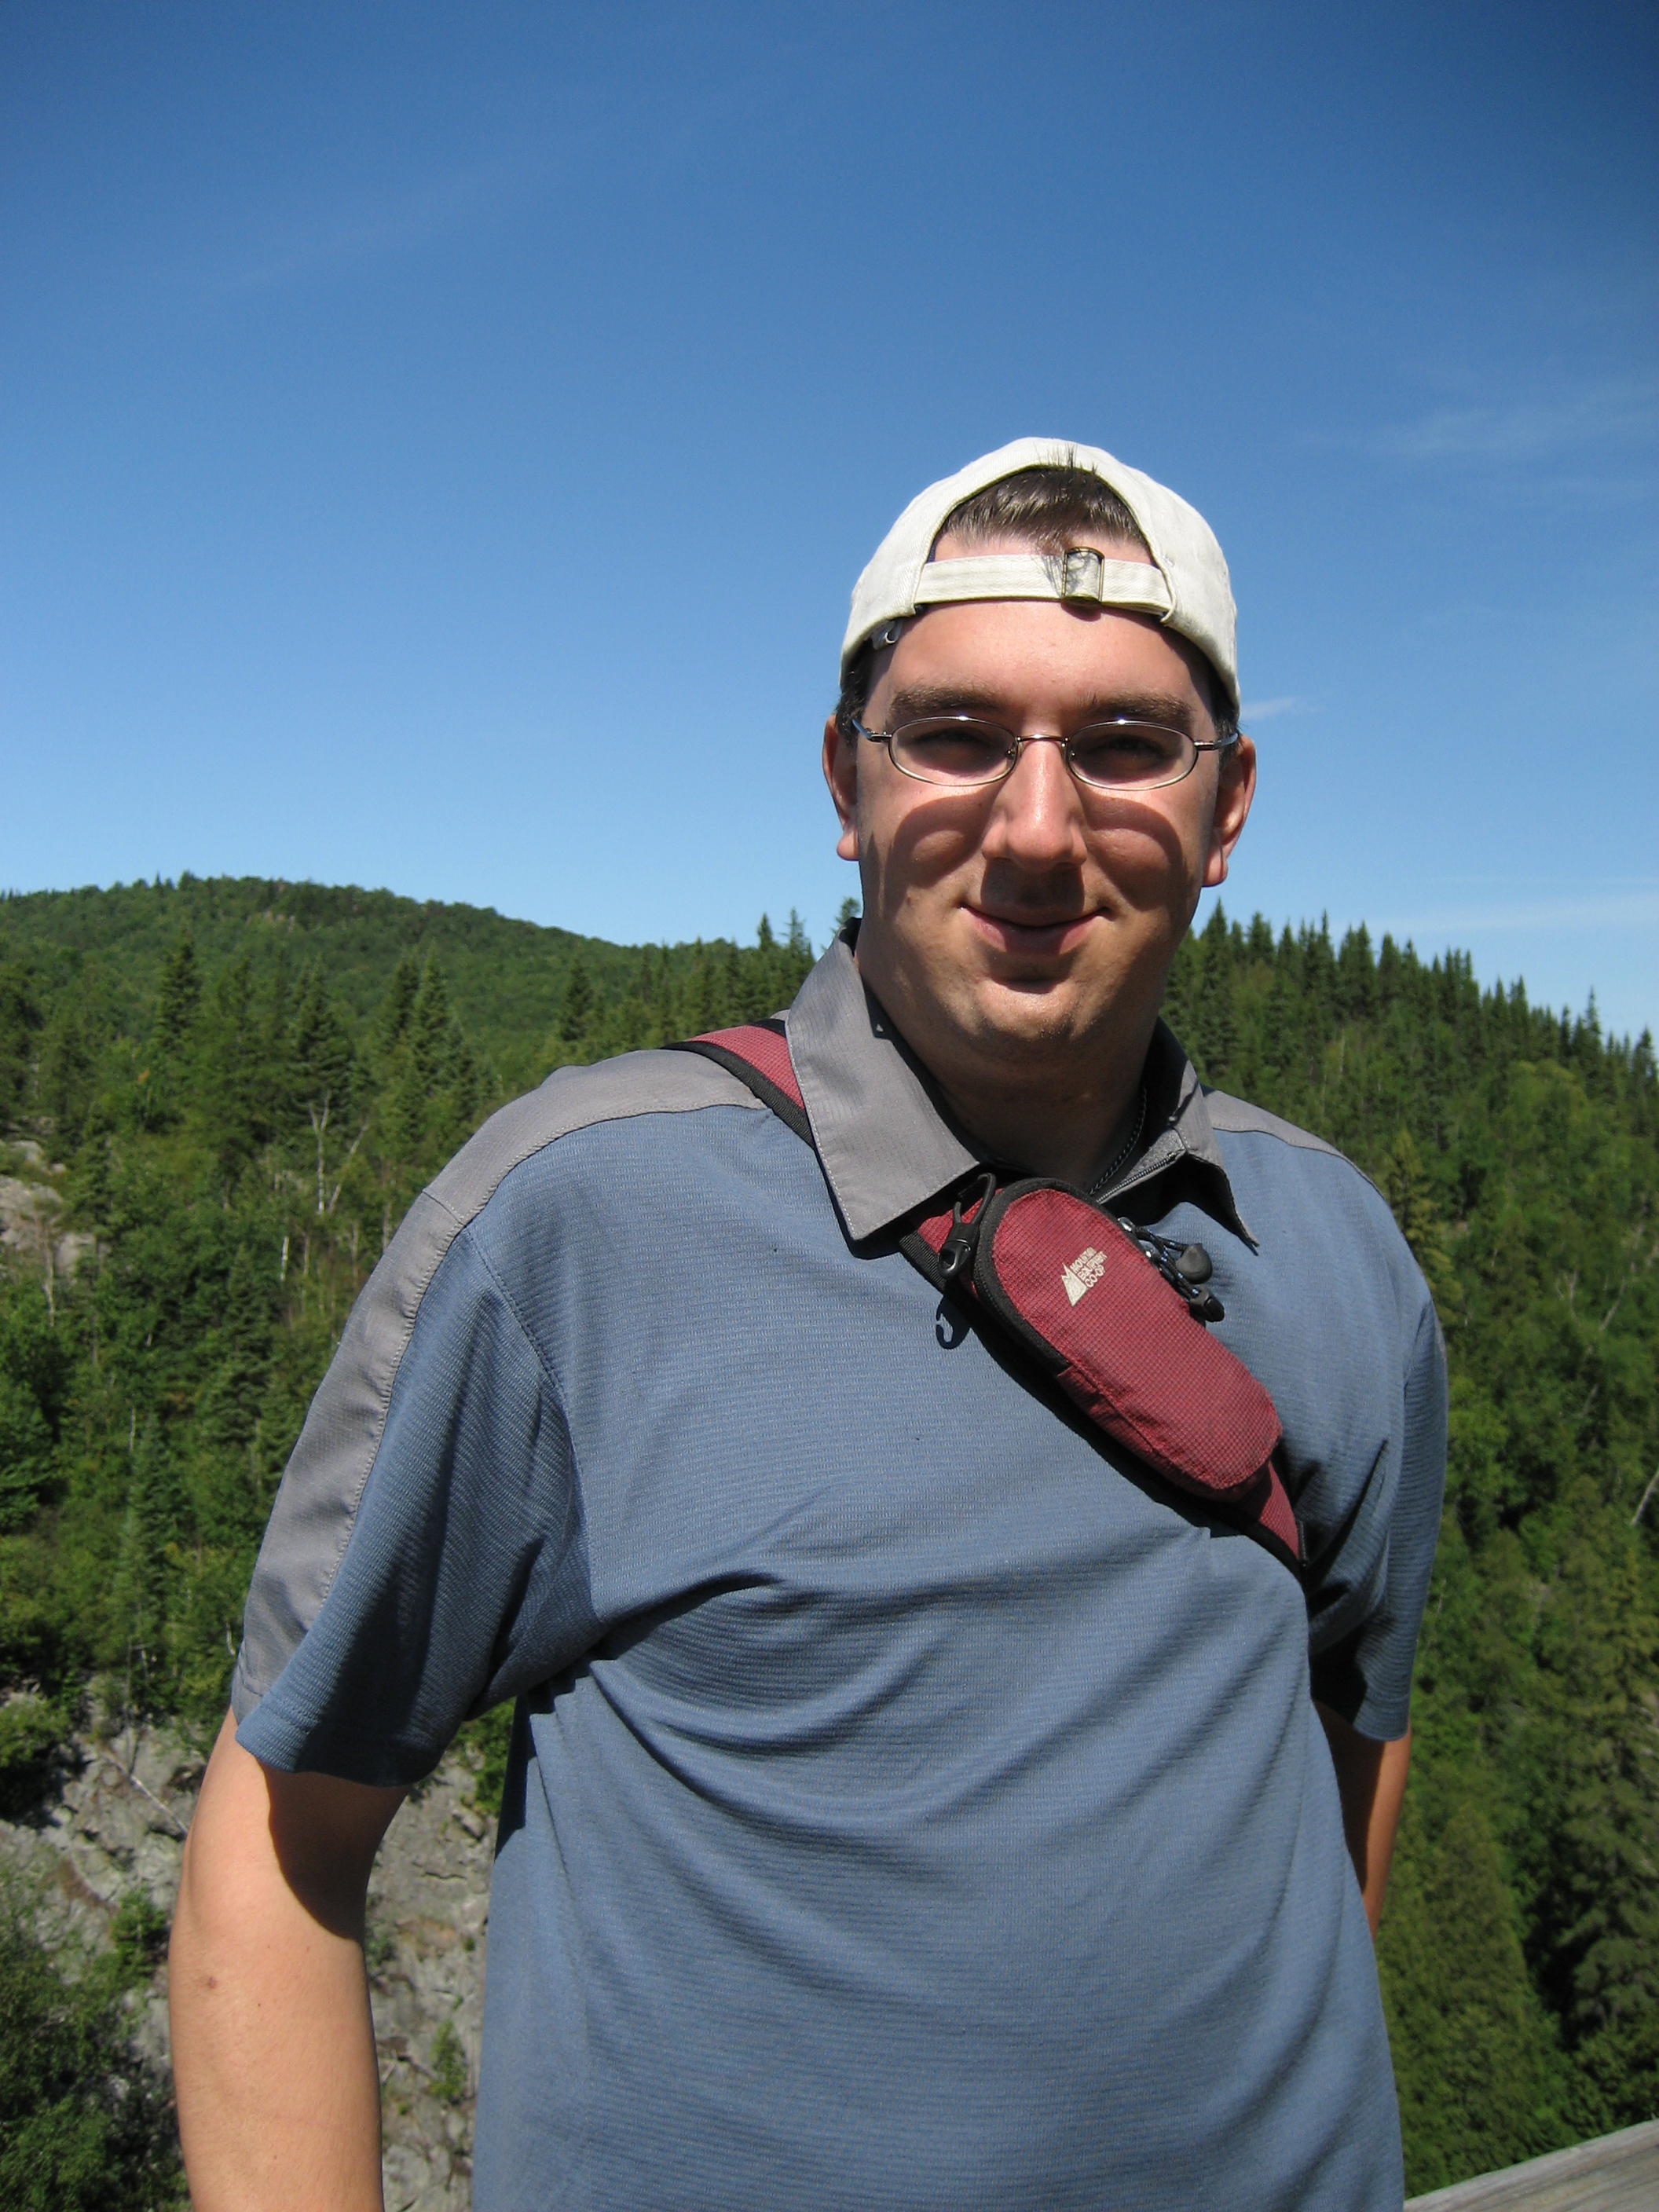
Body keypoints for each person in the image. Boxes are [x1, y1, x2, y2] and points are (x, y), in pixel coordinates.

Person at [170, 438, 1446, 2210]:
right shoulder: (581, 1223)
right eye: (957, 734)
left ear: (1227, 809)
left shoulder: (1339, 1249)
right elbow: (279, 1839)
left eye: (1124, 744)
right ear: (847, 781)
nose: (1037, 825)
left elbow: (1350, 1732)